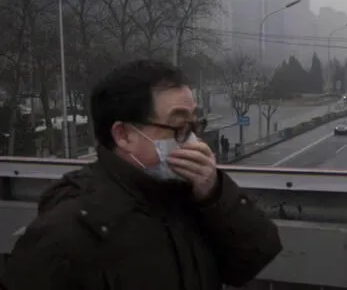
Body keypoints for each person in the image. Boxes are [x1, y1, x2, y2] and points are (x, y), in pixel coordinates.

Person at [0, 60, 282, 289]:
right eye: (179, 128)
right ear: (123, 135)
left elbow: (252, 259)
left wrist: (214, 193)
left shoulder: (189, 196)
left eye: (195, 126)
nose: (195, 144)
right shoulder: (67, 228)